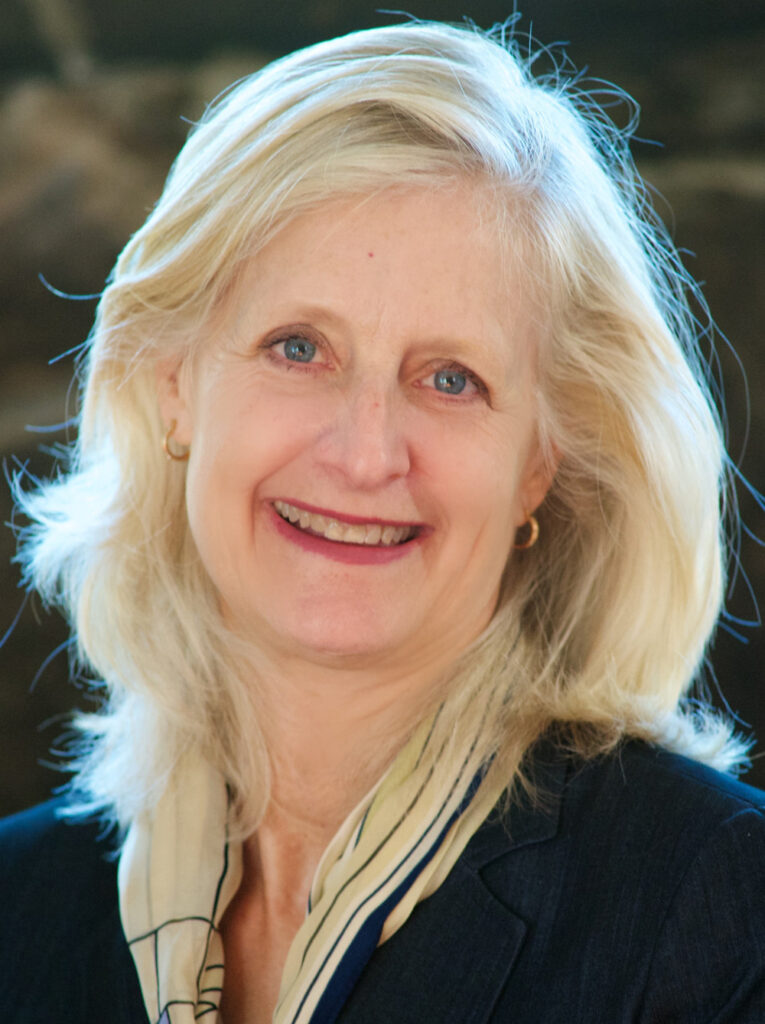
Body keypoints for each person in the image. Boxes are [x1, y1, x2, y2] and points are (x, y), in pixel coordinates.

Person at [2, 18, 764, 1024]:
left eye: (451, 379)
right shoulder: (16, 905)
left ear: (540, 465)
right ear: (172, 381)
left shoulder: (715, 903)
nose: (366, 455)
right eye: (297, 348)